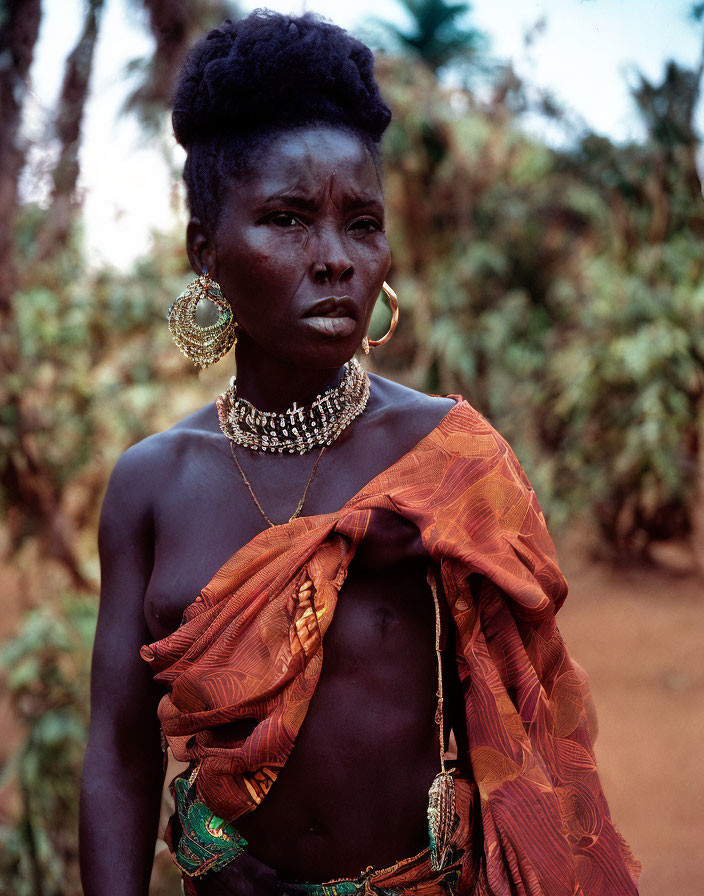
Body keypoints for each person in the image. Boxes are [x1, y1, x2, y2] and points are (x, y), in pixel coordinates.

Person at [79, 11, 641, 896]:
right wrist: (201, 848)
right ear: (205, 253)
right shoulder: (152, 484)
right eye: (288, 219)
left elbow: (526, 735)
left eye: (362, 222)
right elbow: (118, 750)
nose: (336, 258)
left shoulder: (448, 463)